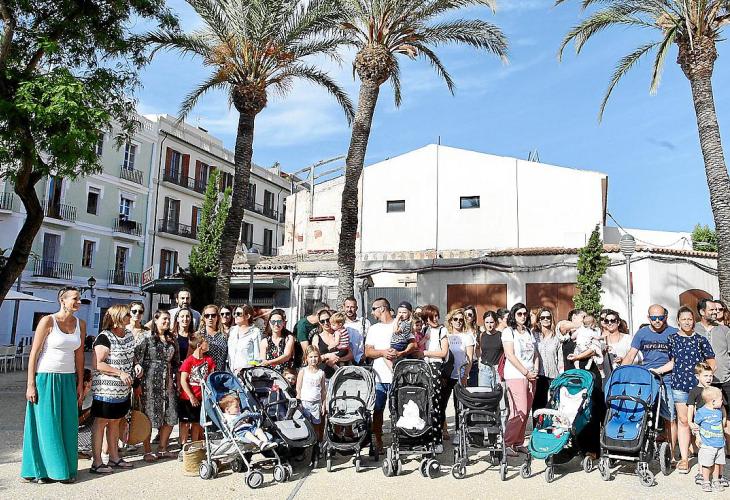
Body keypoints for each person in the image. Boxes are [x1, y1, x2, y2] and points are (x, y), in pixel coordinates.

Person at [22, 286, 87, 483]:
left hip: (68, 378)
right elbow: (34, 353)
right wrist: (30, 384)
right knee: (47, 424)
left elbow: (79, 355)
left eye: (79, 299)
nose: (78, 302)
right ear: (62, 300)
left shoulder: (80, 324)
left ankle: (66, 467)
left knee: (68, 423)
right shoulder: (48, 321)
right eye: (74, 298)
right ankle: (51, 471)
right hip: (46, 377)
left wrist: (80, 382)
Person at [661, 306, 716, 474]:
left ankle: (705, 460)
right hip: (679, 386)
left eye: (690, 319)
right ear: (678, 321)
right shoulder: (672, 339)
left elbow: (711, 361)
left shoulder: (700, 340)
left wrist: (706, 377)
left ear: (694, 321)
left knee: (701, 421)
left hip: (698, 388)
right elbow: (673, 362)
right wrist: (658, 370)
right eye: (683, 319)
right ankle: (684, 459)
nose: (687, 322)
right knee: (683, 420)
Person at [622, 304, 678, 463]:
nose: (657, 321)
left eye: (660, 317)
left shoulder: (673, 333)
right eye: (654, 318)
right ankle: (637, 446)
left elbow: (676, 360)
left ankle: (672, 454)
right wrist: (621, 372)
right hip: (646, 380)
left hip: (667, 379)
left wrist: (659, 370)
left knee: (669, 417)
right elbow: (631, 355)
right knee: (641, 412)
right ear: (648, 318)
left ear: (665, 317)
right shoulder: (642, 333)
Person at [89, 304, 136, 474]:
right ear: (117, 318)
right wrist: (120, 373)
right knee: (101, 422)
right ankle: (97, 462)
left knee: (116, 421)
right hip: (106, 390)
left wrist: (136, 366)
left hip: (122, 390)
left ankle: (114, 457)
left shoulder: (129, 335)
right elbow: (98, 363)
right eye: (126, 315)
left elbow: (131, 356)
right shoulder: (104, 337)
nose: (130, 317)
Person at [365, 298, 414, 453]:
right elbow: (368, 351)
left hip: (398, 376)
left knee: (399, 410)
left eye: (374, 308)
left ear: (382, 308)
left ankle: (399, 440)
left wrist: (402, 352)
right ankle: (378, 440)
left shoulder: (401, 324)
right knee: (378, 409)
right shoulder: (374, 328)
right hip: (379, 377)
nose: (372, 312)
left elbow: (413, 343)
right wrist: (382, 352)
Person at [135, 310, 180, 461]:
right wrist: (137, 384)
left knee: (170, 415)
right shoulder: (146, 336)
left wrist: (177, 381)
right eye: (164, 319)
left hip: (167, 383)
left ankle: (162, 448)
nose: (167, 322)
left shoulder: (172, 338)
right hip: (148, 382)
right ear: (155, 319)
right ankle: (147, 451)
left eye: (168, 319)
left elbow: (176, 362)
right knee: (147, 416)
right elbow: (137, 359)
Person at [502, 302, 538, 456]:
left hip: (531, 375)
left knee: (527, 410)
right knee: (519, 410)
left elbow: (535, 354)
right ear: (513, 315)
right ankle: (507, 443)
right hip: (516, 375)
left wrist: (535, 369)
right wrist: (525, 372)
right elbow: (510, 355)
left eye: (525, 314)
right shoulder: (508, 332)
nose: (523, 316)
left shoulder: (529, 332)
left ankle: (518, 442)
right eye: (519, 314)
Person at [696, 298, 730, 453]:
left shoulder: (724, 330)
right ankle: (701, 448)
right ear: (702, 312)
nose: (716, 312)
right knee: (703, 413)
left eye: (717, 309)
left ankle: (728, 449)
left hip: (724, 378)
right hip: (704, 381)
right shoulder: (694, 329)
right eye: (712, 309)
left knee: (727, 413)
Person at [418, 304, 449, 453]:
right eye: (432, 316)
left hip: (436, 367)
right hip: (424, 367)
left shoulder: (442, 330)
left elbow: (443, 352)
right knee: (424, 404)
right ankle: (425, 438)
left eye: (437, 316)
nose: (435, 319)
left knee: (436, 404)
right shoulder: (424, 330)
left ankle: (437, 439)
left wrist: (425, 353)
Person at [445, 308, 475, 443]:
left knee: (459, 406)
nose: (458, 322)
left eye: (461, 320)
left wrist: (465, 375)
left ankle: (459, 432)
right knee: (442, 404)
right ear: (451, 321)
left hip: (460, 375)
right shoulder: (446, 335)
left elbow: (470, 358)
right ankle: (443, 430)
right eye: (455, 319)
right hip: (447, 375)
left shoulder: (467, 336)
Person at [179, 333, 215, 444]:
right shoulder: (188, 361)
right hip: (187, 397)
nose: (208, 344)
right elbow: (183, 380)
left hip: (202, 396)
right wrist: (191, 396)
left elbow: (211, 377)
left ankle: (195, 444)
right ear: (199, 345)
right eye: (206, 342)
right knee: (185, 422)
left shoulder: (208, 360)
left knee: (197, 422)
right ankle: (183, 444)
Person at [694, 386, 727, 492]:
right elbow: (696, 425)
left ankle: (716, 480)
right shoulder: (701, 412)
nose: (722, 401)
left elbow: (720, 425)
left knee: (718, 463)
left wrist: (723, 436)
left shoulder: (718, 411)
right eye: (720, 400)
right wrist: (697, 437)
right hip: (707, 444)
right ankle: (706, 481)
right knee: (707, 464)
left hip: (719, 443)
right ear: (713, 401)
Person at [532, 307, 562, 419]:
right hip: (538, 376)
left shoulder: (557, 337)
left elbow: (560, 359)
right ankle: (537, 428)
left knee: (552, 407)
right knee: (537, 407)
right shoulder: (534, 335)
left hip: (553, 376)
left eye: (548, 317)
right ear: (539, 320)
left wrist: (561, 376)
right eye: (543, 317)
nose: (546, 320)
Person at [310, 309, 352, 380]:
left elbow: (351, 355)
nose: (326, 323)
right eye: (322, 321)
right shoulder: (316, 337)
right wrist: (327, 356)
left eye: (327, 320)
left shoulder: (340, 333)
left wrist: (337, 359)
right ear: (319, 323)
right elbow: (313, 358)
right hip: (323, 376)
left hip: (341, 376)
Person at [297, 346, 327, 442]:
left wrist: (323, 404)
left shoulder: (321, 373)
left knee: (316, 426)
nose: (313, 359)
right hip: (305, 403)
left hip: (316, 403)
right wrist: (299, 403)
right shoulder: (303, 371)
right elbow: (298, 388)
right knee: (306, 426)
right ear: (306, 358)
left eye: (315, 356)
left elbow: (323, 390)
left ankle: (316, 445)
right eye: (310, 357)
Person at [228, 304, 262, 372]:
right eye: (234, 313)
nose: (235, 316)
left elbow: (258, 359)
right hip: (230, 372)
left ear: (247, 316)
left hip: (246, 373)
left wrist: (246, 366)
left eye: (238, 314)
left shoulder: (255, 332)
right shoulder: (232, 330)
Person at [385, 302, 416, 370]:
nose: (401, 314)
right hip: (398, 343)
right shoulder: (404, 322)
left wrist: (396, 319)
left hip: (399, 344)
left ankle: (394, 370)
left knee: (387, 357)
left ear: (409, 313)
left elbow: (395, 330)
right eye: (399, 312)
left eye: (404, 312)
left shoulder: (405, 323)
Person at [601, 309, 632, 374]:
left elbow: (637, 358)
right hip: (609, 376)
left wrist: (623, 360)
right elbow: (598, 362)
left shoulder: (628, 338)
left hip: (625, 374)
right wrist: (602, 353)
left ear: (618, 323)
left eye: (612, 321)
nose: (609, 323)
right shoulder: (602, 340)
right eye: (607, 321)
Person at [478, 311, 504, 389]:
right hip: (484, 369)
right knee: (484, 393)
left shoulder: (501, 335)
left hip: (497, 369)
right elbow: (481, 351)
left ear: (495, 322)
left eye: (491, 322)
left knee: (499, 393)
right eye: (487, 322)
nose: (489, 325)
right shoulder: (482, 335)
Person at [198, 304, 228, 371]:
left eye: (213, 315)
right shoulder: (198, 336)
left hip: (221, 373)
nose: (210, 318)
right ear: (204, 318)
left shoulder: (224, 336)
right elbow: (190, 358)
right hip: (203, 373)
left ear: (217, 317)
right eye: (207, 316)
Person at [344, 296, 370, 364]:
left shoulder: (364, 322)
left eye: (352, 307)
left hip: (361, 361)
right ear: (343, 307)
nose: (349, 309)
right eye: (347, 307)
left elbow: (370, 341)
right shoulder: (340, 324)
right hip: (344, 361)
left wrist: (365, 355)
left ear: (356, 308)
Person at [463, 305, 480, 386]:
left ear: (473, 317)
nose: (467, 317)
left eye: (469, 315)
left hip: (474, 363)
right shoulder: (460, 330)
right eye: (465, 315)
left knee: (473, 388)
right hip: (463, 362)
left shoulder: (478, 330)